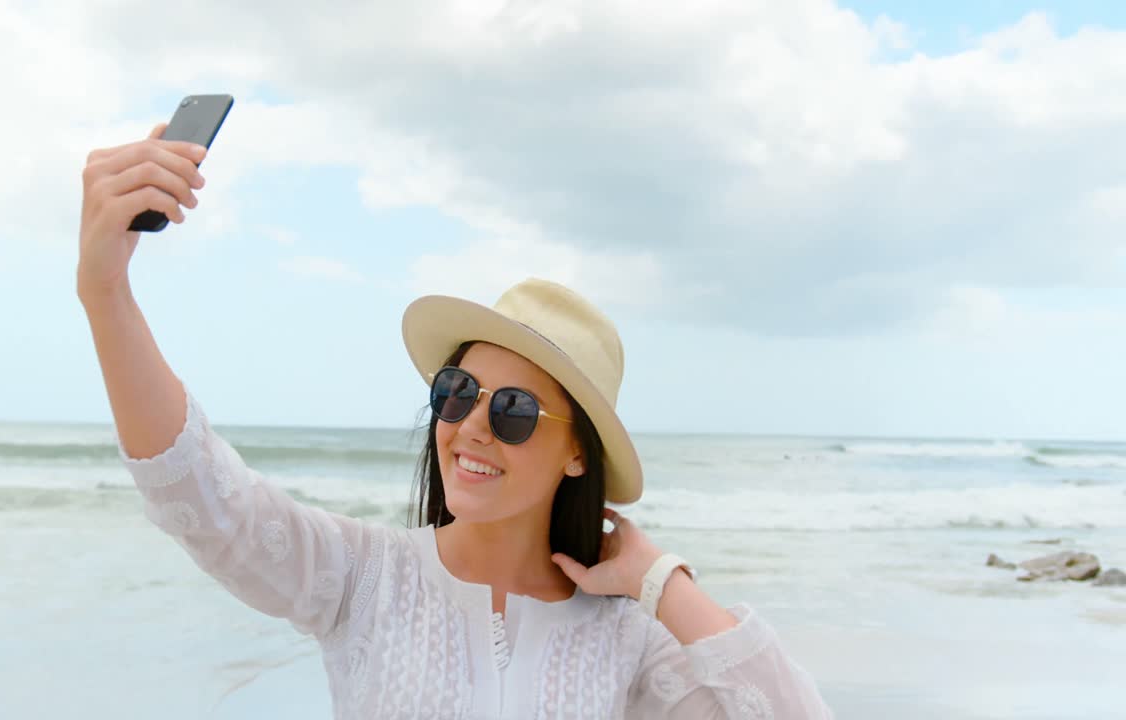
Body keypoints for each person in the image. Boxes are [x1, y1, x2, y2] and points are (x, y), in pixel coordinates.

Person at [78, 124, 834, 719]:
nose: (470, 424)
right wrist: (106, 292)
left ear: (578, 451)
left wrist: (662, 583)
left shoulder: (629, 642)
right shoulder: (360, 578)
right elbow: (198, 494)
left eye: (512, 410)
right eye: (457, 390)